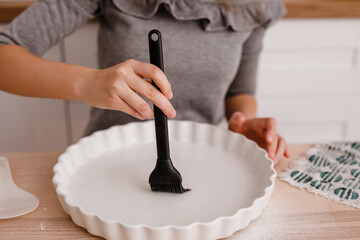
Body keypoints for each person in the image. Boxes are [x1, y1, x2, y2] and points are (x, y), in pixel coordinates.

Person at [0, 0, 289, 164]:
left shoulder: (253, 6)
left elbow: (240, 92)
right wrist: (87, 83)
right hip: (107, 161)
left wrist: (243, 124)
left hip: (203, 161)